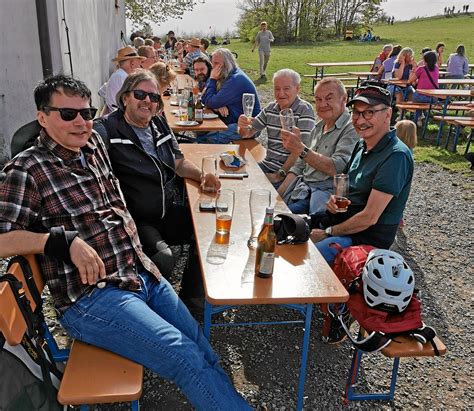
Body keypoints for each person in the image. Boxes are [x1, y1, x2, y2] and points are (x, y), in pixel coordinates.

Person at [0, 74, 249, 410]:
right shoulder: (27, 169)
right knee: (184, 356)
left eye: (86, 113)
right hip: (93, 298)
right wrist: (58, 242)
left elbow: (163, 154)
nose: (81, 122)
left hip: (138, 272)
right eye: (68, 114)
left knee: (199, 344)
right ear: (42, 117)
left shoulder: (93, 146)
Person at [94, 70, 219, 309]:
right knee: (165, 259)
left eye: (153, 97)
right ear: (125, 98)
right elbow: (83, 145)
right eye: (140, 94)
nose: (147, 101)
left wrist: (203, 176)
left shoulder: (159, 123)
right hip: (137, 220)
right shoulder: (107, 130)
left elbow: (178, 162)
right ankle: (147, 306)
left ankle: (192, 296)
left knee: (206, 229)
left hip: (167, 209)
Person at [310, 84, 414, 264]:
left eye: (369, 113)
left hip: (367, 237)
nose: (360, 120)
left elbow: (369, 218)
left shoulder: (396, 156)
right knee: (286, 227)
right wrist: (335, 200)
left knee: (312, 258)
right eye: (356, 113)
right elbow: (346, 186)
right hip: (344, 221)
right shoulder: (361, 144)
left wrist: (328, 232)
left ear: (388, 114)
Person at [277, 78, 359, 215]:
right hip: (302, 191)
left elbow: (339, 169)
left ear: (344, 99)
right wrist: (277, 197)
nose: (323, 104)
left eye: (329, 98)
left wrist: (300, 149)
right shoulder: (319, 127)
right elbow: (299, 166)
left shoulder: (351, 128)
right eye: (318, 100)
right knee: (267, 211)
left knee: (277, 221)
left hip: (323, 201)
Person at [237, 69, 315, 188]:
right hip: (267, 165)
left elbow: (300, 152)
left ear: (297, 89)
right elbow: (247, 133)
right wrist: (242, 126)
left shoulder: (305, 110)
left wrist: (279, 175)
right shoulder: (271, 108)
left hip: (288, 173)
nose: (281, 93)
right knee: (235, 179)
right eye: (277, 89)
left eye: (286, 89)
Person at [199, 48, 261, 144]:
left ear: (226, 64)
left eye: (216, 63)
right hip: (232, 119)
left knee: (210, 138)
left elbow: (211, 101)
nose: (213, 67)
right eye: (212, 63)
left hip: (248, 126)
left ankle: (217, 158)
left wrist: (212, 80)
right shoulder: (224, 74)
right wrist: (217, 106)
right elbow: (203, 98)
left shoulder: (236, 79)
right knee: (199, 130)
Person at [104, 46, 145, 113]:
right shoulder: (122, 77)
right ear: (132, 63)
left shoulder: (121, 75)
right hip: (118, 117)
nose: (139, 67)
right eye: (138, 64)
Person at [409, 50, 439, 124]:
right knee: (421, 101)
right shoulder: (436, 68)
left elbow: (410, 80)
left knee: (415, 95)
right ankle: (420, 117)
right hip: (433, 98)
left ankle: (417, 118)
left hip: (420, 97)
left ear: (425, 60)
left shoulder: (421, 69)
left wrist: (413, 68)